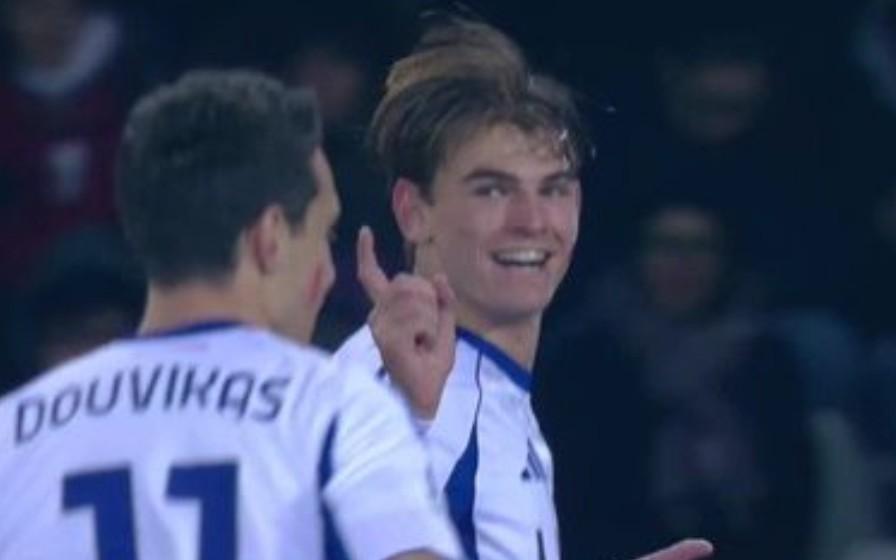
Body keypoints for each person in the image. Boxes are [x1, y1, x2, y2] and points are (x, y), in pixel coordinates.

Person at [0, 70, 460, 560]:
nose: (328, 273)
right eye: (324, 236)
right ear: (271, 237)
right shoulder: (336, 410)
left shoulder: (16, 431)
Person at [335, 17, 713, 560]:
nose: (532, 222)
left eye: (553, 190)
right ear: (414, 211)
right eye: (492, 190)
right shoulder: (405, 387)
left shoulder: (484, 384)